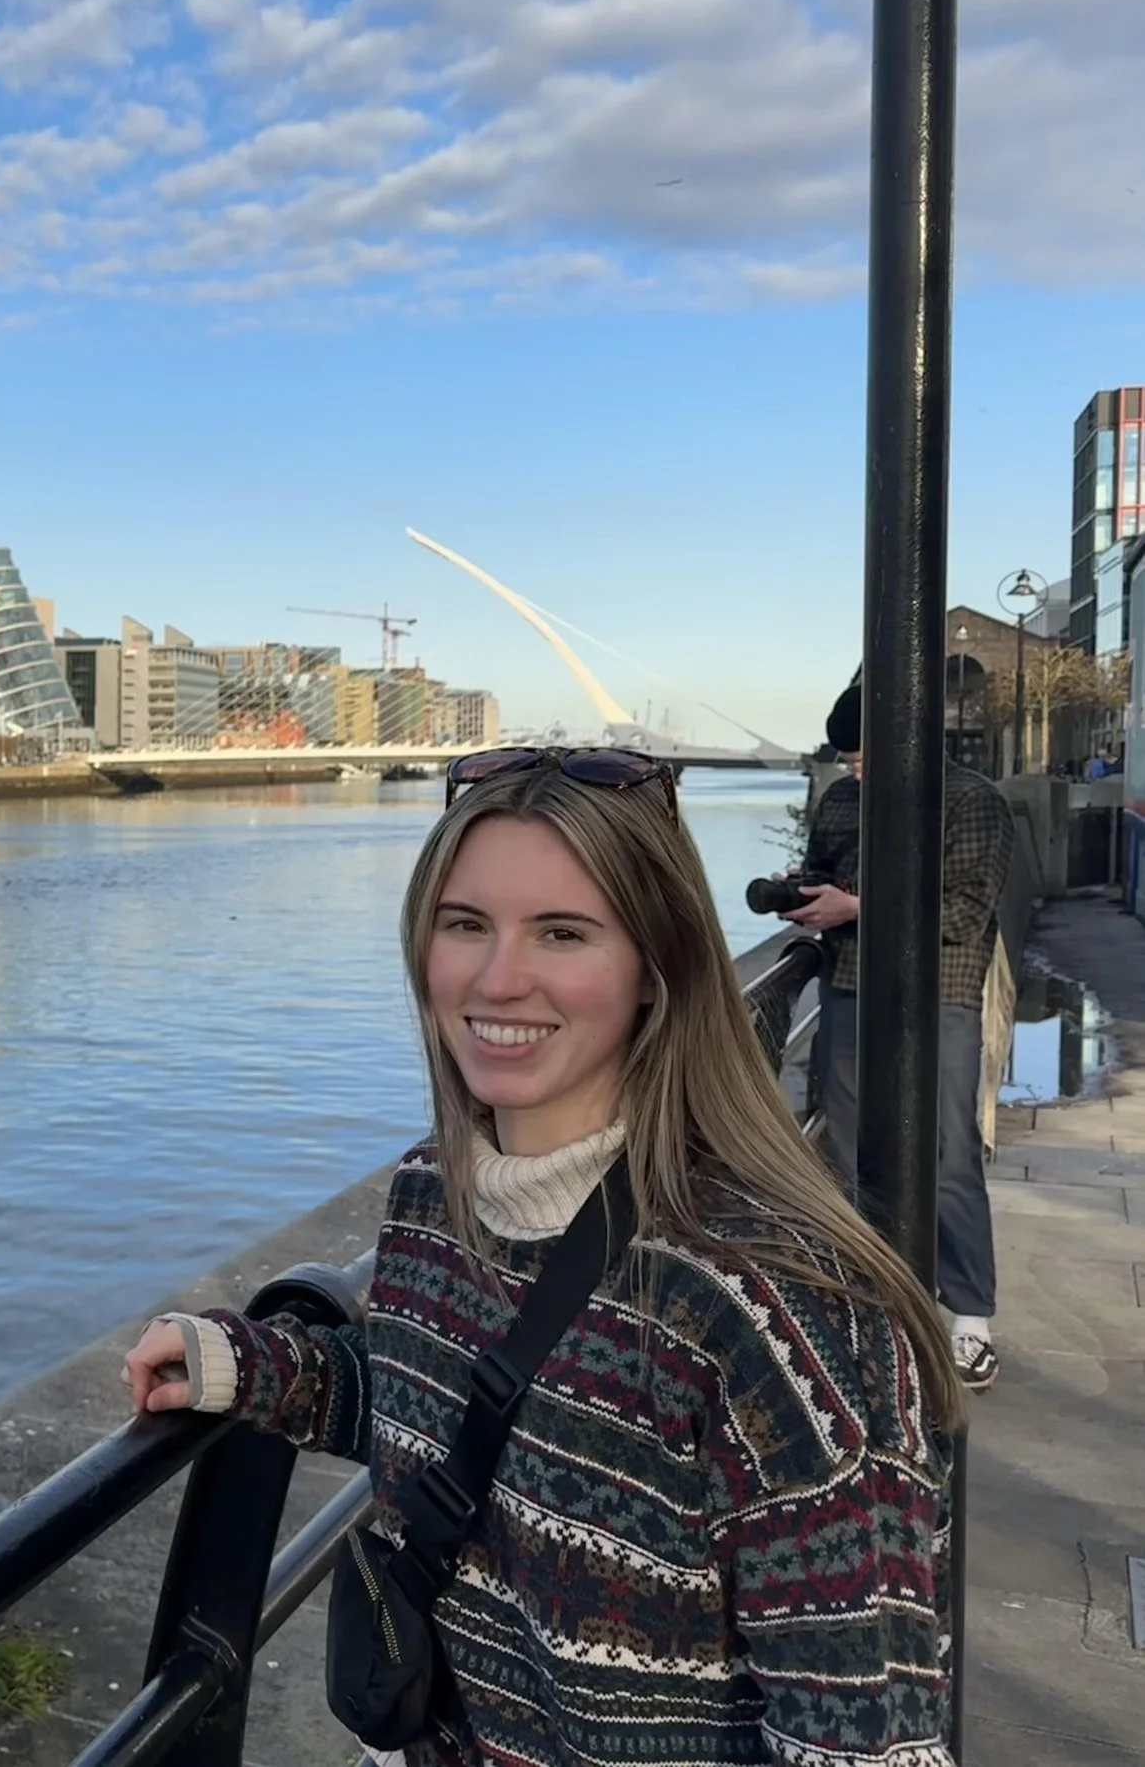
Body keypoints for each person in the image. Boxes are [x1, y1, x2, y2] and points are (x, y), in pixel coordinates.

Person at [123, 748, 959, 1766]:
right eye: (464, 924)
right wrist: (253, 1367)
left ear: (658, 969)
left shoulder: (771, 1312)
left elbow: (863, 1742)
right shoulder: (436, 1190)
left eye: (560, 933)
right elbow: (449, 1408)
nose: (495, 977)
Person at [783, 683, 1012, 1390]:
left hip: (939, 995)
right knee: (848, 1151)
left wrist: (857, 904)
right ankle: (874, 1299)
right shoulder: (843, 801)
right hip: (849, 986)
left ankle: (969, 1317)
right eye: (845, 760)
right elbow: (822, 871)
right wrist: (804, 894)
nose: (852, 772)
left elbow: (964, 913)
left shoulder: (972, 800)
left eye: (860, 758)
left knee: (947, 1152)